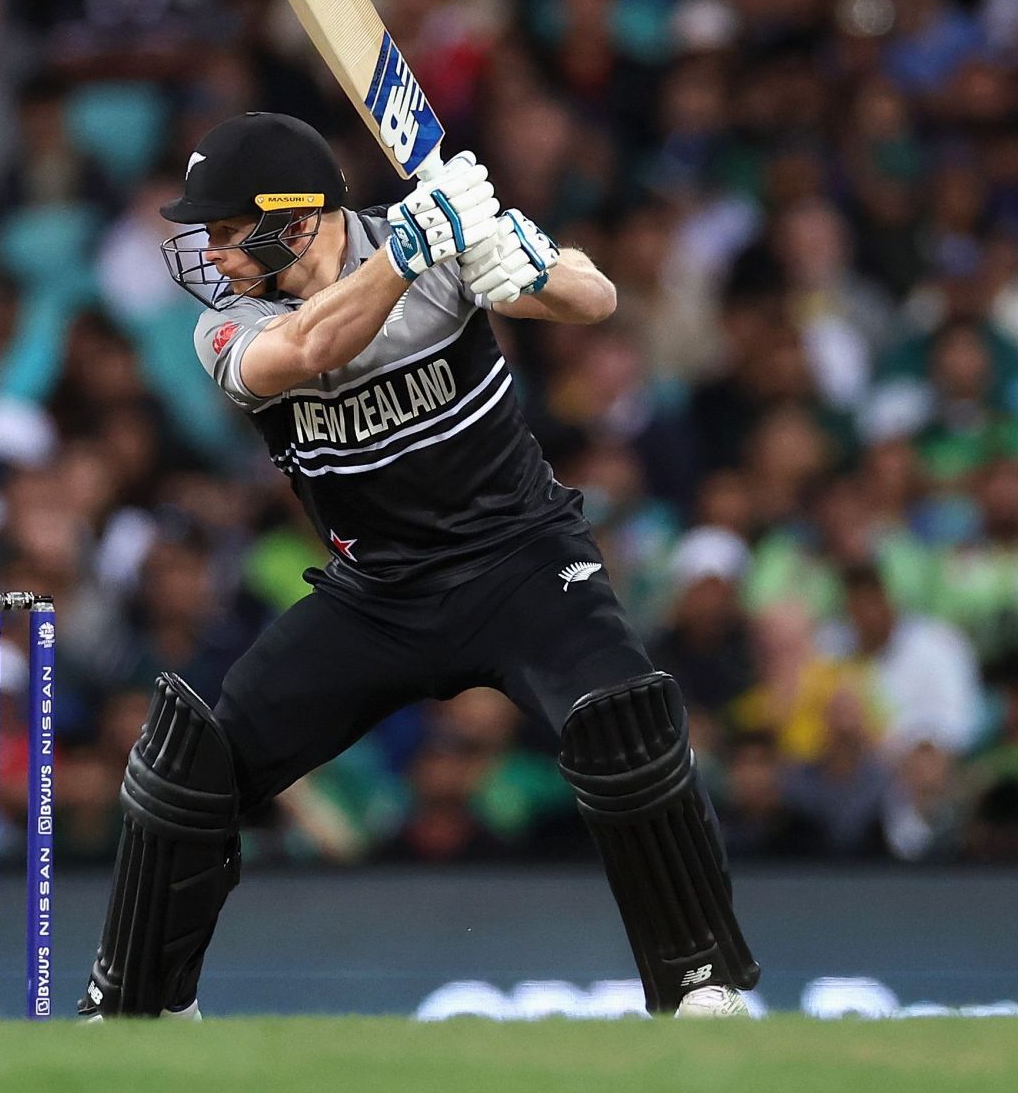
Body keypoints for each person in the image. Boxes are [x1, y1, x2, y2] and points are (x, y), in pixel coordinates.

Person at [79, 112, 758, 1020]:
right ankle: (141, 1013)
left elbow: (596, 301)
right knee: (189, 766)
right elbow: (311, 348)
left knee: (622, 726)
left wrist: (524, 262)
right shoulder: (234, 321)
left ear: (299, 217)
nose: (212, 253)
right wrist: (405, 253)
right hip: (379, 593)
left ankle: (699, 987)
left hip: (520, 559)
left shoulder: (436, 234)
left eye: (228, 229)